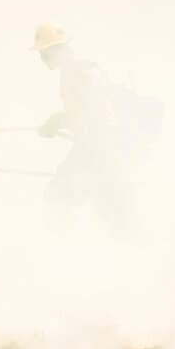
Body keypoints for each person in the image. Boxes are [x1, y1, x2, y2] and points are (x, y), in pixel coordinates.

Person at [32, 22, 124, 222]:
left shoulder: (76, 74)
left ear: (57, 51)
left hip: (95, 149)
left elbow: (90, 111)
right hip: (103, 148)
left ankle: (59, 244)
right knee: (108, 205)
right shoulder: (84, 71)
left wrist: (56, 122)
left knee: (57, 196)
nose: (42, 59)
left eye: (44, 54)